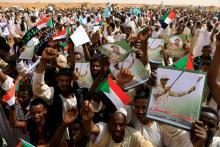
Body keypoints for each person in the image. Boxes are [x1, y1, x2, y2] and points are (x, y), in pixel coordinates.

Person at [80, 100, 153, 147]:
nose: (117, 128)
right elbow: (92, 128)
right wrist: (88, 120)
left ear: (125, 125)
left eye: (121, 125)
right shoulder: (104, 129)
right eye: (114, 124)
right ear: (109, 124)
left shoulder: (134, 134)